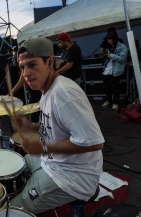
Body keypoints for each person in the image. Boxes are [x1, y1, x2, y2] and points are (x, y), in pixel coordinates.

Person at [10, 38, 104, 214]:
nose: (26, 73)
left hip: (73, 178)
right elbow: (56, 124)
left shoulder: (64, 93)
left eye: (32, 65)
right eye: (22, 67)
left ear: (50, 62)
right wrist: (30, 127)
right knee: (20, 165)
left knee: (12, 209)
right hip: (54, 164)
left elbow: (94, 143)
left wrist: (42, 147)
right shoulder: (47, 90)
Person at [101, 31, 128, 110]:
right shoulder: (108, 47)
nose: (108, 41)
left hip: (116, 71)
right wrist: (104, 56)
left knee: (115, 88)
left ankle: (115, 103)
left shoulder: (122, 47)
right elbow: (108, 58)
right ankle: (108, 101)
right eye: (107, 39)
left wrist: (111, 55)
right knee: (106, 87)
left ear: (114, 39)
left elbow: (123, 59)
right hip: (107, 70)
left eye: (110, 39)